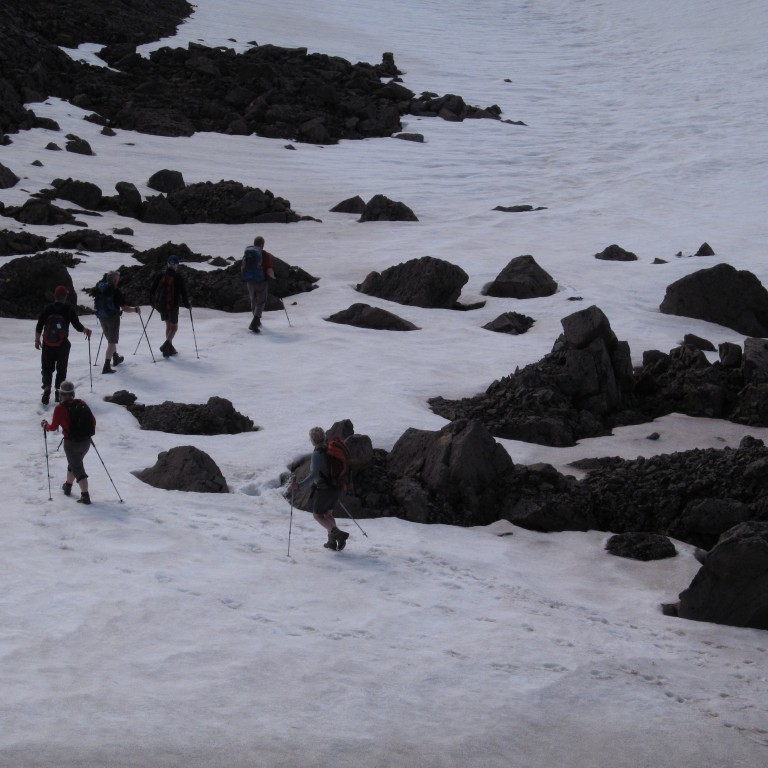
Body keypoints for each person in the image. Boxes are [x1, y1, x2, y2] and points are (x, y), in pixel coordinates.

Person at [290, 426, 350, 551]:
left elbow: (314, 475)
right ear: (324, 436)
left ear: (312, 440)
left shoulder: (317, 454)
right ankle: (331, 542)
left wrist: (299, 485)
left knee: (317, 515)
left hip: (325, 489)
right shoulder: (330, 448)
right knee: (328, 514)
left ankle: (338, 534)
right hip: (336, 486)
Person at [35, 285, 92, 404]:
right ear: (65, 296)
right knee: (61, 370)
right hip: (62, 345)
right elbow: (77, 326)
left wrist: (37, 340)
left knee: (46, 368)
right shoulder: (68, 309)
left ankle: (46, 388)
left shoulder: (48, 308)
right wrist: (86, 330)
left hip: (47, 344)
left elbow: (39, 325)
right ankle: (58, 393)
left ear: (55, 296)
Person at [41, 380, 96, 504]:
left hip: (71, 444)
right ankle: (68, 486)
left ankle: (85, 496)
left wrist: (45, 425)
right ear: (73, 393)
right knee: (74, 464)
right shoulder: (82, 403)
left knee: (78, 468)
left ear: (61, 394)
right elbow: (93, 421)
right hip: (86, 442)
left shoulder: (60, 408)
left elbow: (53, 427)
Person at [94, 271, 141, 374]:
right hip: (113, 318)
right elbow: (125, 308)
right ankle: (106, 366)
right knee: (112, 342)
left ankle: (115, 358)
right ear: (115, 280)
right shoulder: (115, 291)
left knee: (110, 340)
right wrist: (135, 310)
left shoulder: (101, 289)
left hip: (101, 317)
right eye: (118, 279)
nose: (119, 280)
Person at [150, 254, 190, 357]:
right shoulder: (177, 277)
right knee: (174, 327)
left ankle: (169, 349)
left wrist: (153, 302)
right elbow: (183, 292)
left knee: (168, 325)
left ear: (168, 263)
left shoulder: (161, 275)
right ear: (177, 265)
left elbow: (152, 290)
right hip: (173, 305)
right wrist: (187, 304)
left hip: (161, 305)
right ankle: (167, 344)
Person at [241, 235, 276, 333]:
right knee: (261, 302)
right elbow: (269, 270)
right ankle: (255, 322)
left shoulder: (248, 252)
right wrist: (273, 277)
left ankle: (257, 321)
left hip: (249, 281)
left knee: (253, 300)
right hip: (261, 281)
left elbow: (242, 267)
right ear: (262, 244)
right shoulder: (265, 254)